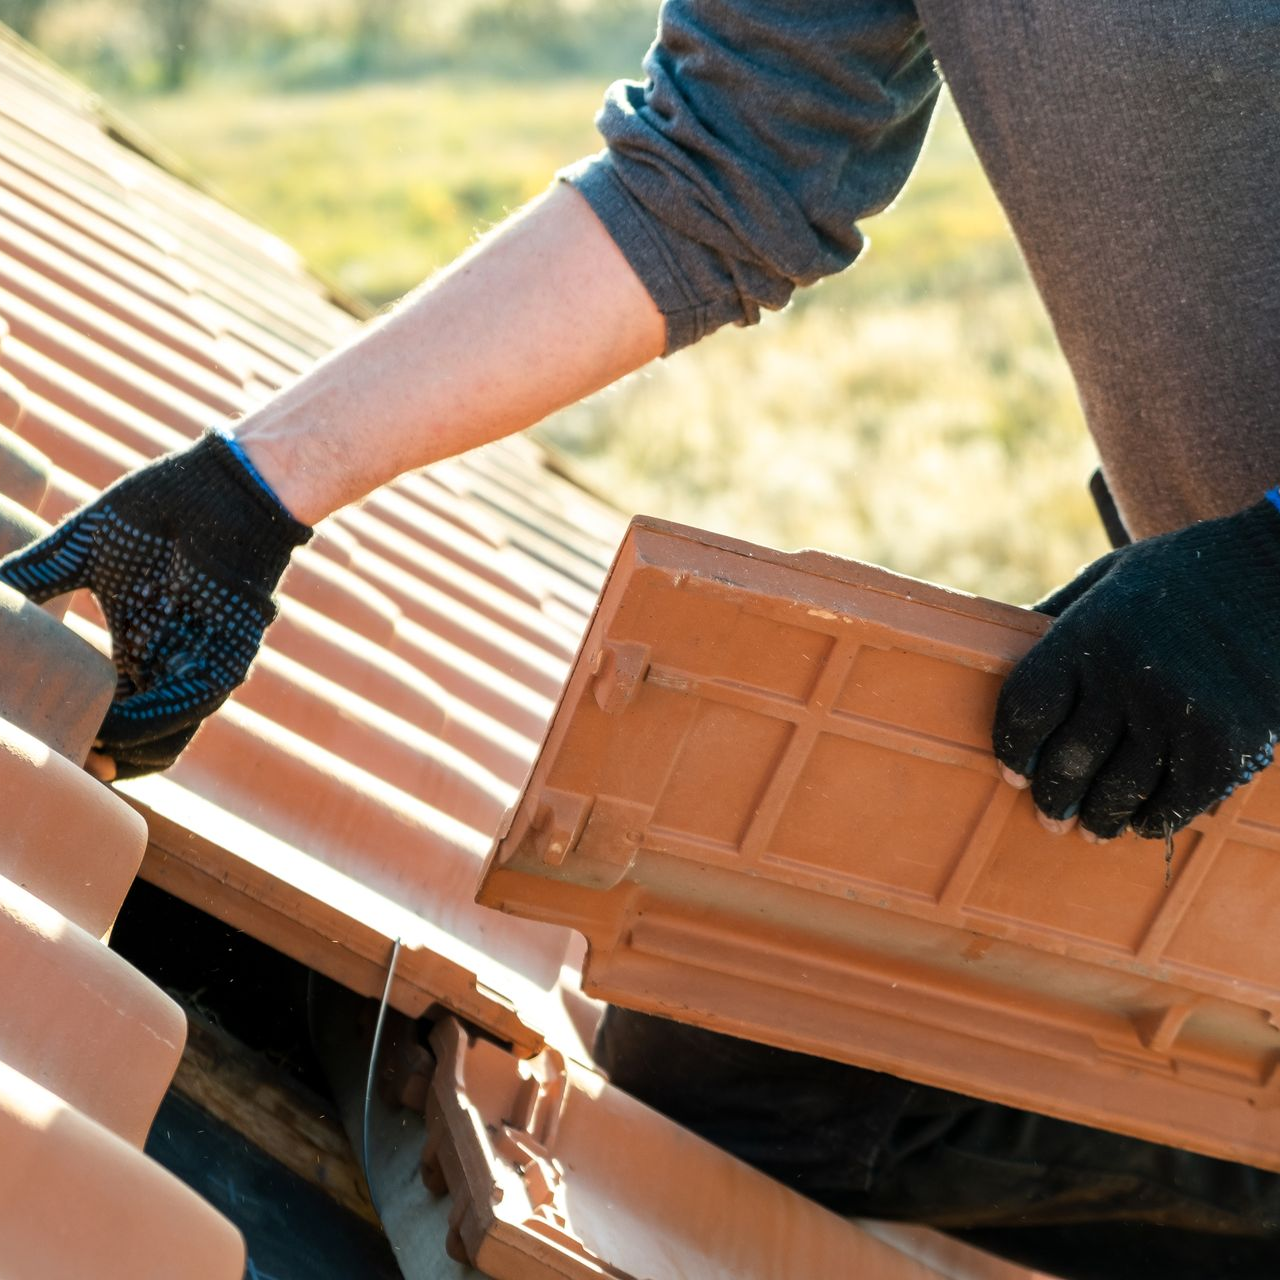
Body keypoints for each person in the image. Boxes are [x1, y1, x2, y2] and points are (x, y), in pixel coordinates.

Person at [3, 3, 1278, 1274]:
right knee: (752, 1041)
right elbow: (723, 165)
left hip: (1248, 598)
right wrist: (251, 490)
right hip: (1225, 624)